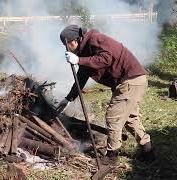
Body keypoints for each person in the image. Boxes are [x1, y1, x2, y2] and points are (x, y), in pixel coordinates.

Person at [57, 25, 155, 166]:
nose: (67, 48)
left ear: (75, 40)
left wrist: (79, 61)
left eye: (67, 45)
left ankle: (111, 157)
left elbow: (105, 59)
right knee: (130, 118)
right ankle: (148, 150)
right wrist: (68, 98)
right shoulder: (84, 50)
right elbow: (82, 77)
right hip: (129, 81)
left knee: (113, 117)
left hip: (131, 80)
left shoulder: (96, 39)